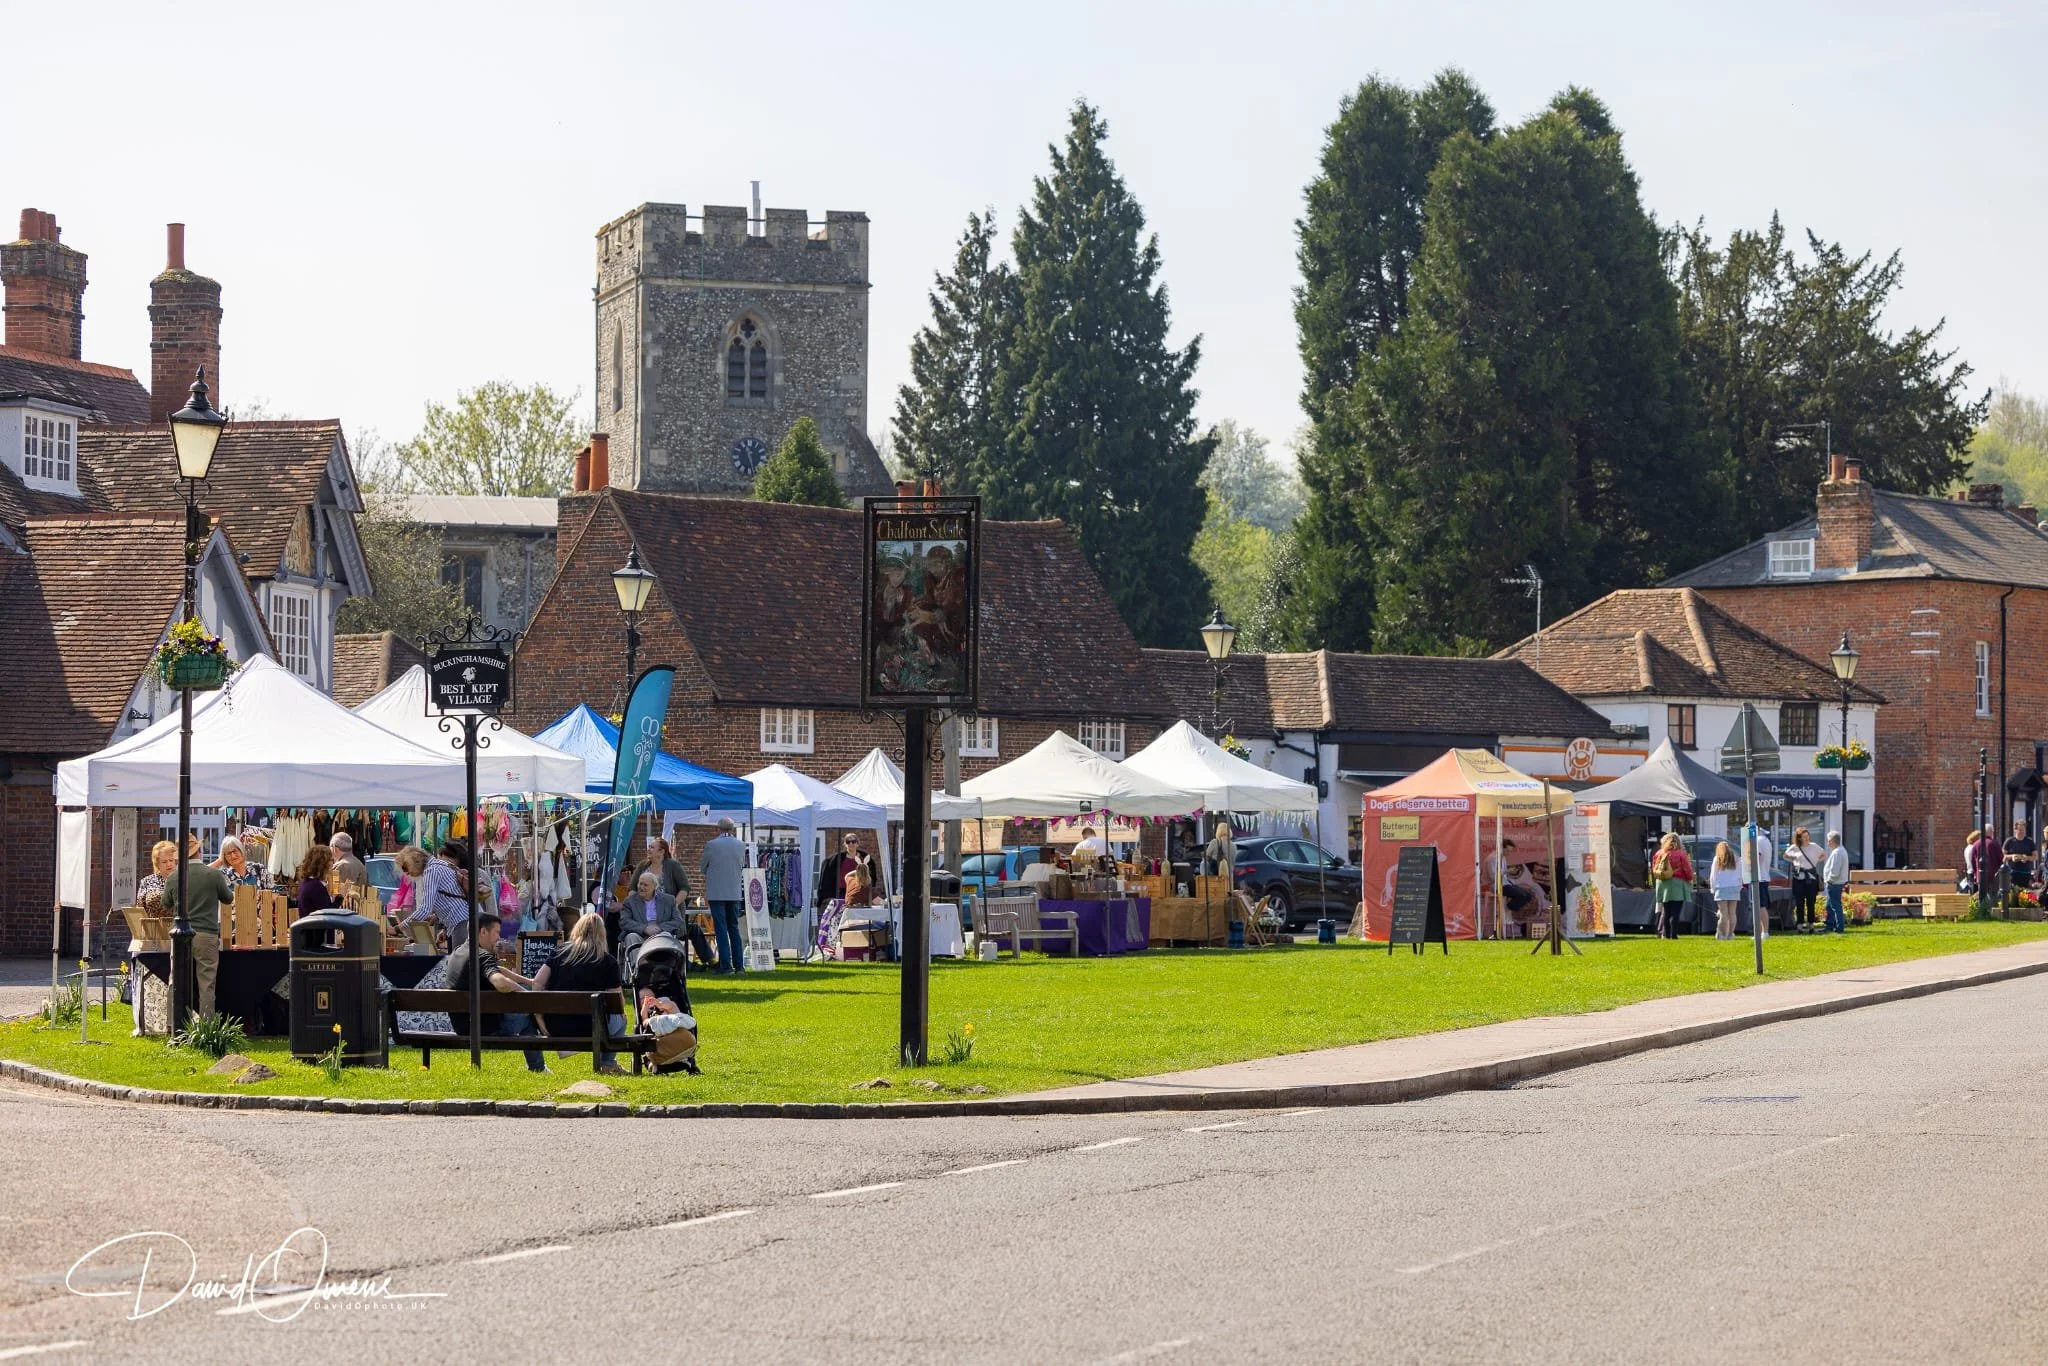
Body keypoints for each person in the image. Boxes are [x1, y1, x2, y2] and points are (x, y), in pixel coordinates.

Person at [444, 913, 546, 1072]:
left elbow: (497, 969)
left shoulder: (458, 953)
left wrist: (529, 982)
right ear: (483, 932)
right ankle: (538, 1068)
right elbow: (500, 982)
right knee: (528, 1018)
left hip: (462, 1027)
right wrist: (526, 995)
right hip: (486, 1029)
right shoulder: (482, 956)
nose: (499, 938)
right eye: (497, 932)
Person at [531, 910, 626, 1075]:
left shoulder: (559, 952)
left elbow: (537, 982)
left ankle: (607, 1063)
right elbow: (617, 1002)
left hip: (556, 1026)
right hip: (591, 1027)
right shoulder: (607, 961)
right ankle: (607, 1063)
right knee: (621, 1019)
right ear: (602, 934)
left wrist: (539, 1015)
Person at [165, 843, 231, 1020]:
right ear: (200, 852)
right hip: (206, 933)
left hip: (180, 935)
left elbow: (166, 903)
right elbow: (228, 898)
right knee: (206, 983)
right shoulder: (214, 875)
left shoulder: (174, 877)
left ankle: (173, 1023)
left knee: (175, 980)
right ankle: (206, 1025)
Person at [400, 841, 476, 945]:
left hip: (462, 922)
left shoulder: (431, 871)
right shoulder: (440, 865)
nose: (407, 873)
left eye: (406, 867)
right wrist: (445, 928)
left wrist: (399, 927)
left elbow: (425, 909)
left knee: (461, 956)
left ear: (415, 862)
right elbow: (451, 899)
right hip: (464, 920)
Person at [701, 817, 748, 974]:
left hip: (717, 892)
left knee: (721, 929)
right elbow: (741, 865)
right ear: (732, 829)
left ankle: (725, 965)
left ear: (718, 828)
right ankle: (739, 966)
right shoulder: (741, 845)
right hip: (734, 892)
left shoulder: (711, 845)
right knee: (734, 928)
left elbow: (703, 867)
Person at [621, 871, 687, 959]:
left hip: (660, 934)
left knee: (666, 935)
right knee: (631, 936)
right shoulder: (629, 901)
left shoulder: (669, 900)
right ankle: (636, 966)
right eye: (640, 884)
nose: (641, 887)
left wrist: (660, 928)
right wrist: (644, 928)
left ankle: (663, 965)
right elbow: (624, 921)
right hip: (639, 934)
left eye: (645, 885)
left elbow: (678, 920)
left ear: (655, 886)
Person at [816, 832, 878, 912]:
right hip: (842, 891)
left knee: (860, 912)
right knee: (842, 912)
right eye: (848, 842)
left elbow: (870, 875)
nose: (851, 844)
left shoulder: (864, 858)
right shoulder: (838, 859)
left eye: (853, 841)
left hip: (859, 890)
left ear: (857, 843)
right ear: (845, 844)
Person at [1650, 833, 1694, 939]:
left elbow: (1654, 868)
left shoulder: (1659, 853)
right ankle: (1673, 935)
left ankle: (1666, 934)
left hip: (1663, 884)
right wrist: (1690, 879)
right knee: (1675, 912)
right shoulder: (1680, 854)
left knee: (1666, 911)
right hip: (1677, 884)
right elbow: (1687, 869)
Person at [1784, 828, 1824, 931]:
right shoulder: (1795, 847)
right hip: (1799, 878)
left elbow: (1823, 854)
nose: (1807, 838)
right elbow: (1785, 856)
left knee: (1811, 902)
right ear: (1799, 838)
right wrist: (1794, 861)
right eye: (1804, 837)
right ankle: (1800, 924)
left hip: (1811, 877)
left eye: (1807, 836)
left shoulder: (1814, 846)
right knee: (1799, 902)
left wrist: (1816, 861)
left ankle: (1811, 924)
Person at [1739, 824, 1776, 936]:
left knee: (1760, 905)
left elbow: (1755, 857)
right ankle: (1761, 932)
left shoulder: (1757, 841)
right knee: (1759, 905)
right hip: (1762, 876)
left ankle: (1764, 932)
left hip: (1758, 877)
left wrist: (1746, 865)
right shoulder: (1765, 840)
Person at [636, 837, 690, 902]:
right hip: (645, 906)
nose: (648, 849)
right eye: (649, 847)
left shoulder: (673, 865)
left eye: (652, 847)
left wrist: (674, 904)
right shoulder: (642, 866)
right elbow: (632, 888)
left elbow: (684, 888)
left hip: (668, 906)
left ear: (661, 852)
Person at [1709, 841, 1742, 940]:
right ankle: (1730, 934)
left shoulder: (1717, 859)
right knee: (1732, 913)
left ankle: (1722, 934)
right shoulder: (1737, 859)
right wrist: (1739, 886)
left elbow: (1713, 875)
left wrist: (1713, 888)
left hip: (1721, 887)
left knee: (1723, 914)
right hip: (1734, 887)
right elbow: (1740, 874)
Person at [2002, 818, 2036, 906]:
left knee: (2025, 895)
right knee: (2013, 894)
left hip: (2026, 873)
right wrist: (2012, 856)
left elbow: (2035, 857)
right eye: (2019, 830)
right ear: (2015, 830)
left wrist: (2026, 858)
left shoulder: (2029, 841)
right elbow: (2003, 856)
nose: (2021, 832)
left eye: (2023, 830)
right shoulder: (2009, 841)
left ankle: (2024, 908)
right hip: (2012, 873)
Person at [1823, 830, 1852, 933]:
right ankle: (1830, 925)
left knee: (1835, 906)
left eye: (1828, 840)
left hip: (1834, 883)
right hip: (1836, 883)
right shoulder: (1840, 850)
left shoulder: (1837, 853)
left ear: (1832, 840)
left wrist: (1829, 880)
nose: (1828, 843)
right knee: (1830, 906)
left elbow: (1835, 871)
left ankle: (1839, 927)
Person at [296, 846, 337, 915]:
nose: (333, 863)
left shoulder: (308, 883)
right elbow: (328, 912)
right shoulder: (315, 886)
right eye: (331, 860)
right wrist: (340, 897)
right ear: (323, 864)